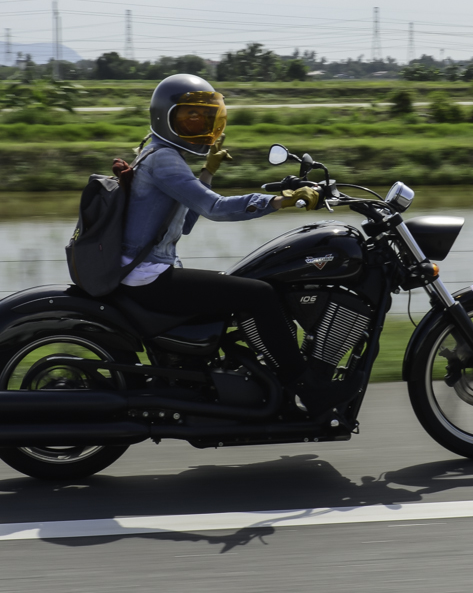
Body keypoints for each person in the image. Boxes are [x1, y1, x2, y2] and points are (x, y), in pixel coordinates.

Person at [118, 73, 339, 417]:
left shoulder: (159, 154)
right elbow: (215, 208)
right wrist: (281, 200)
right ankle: (306, 386)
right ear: (165, 118)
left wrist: (207, 172)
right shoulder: (163, 159)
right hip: (147, 276)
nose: (201, 124)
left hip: (148, 270)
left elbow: (185, 222)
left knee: (241, 289)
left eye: (207, 117)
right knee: (260, 294)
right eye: (190, 116)